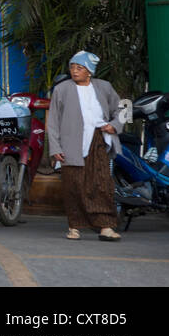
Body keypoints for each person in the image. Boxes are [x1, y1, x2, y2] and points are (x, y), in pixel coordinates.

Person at [46, 50, 125, 241]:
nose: (74, 71)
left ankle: (106, 226)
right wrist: (55, 148)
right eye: (72, 67)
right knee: (73, 185)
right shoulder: (62, 89)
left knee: (102, 183)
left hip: (98, 140)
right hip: (71, 144)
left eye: (79, 68)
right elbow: (53, 121)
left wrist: (114, 126)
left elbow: (124, 107)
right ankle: (75, 226)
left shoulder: (104, 87)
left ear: (89, 71)